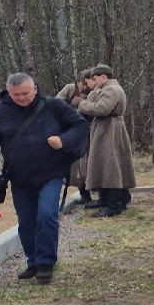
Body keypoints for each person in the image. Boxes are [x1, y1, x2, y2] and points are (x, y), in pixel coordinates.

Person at [0, 72, 88, 284]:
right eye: (16, 95)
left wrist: (63, 140)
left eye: (25, 93)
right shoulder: (1, 111)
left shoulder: (53, 106)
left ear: (35, 89)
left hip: (51, 173)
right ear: (9, 93)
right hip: (19, 177)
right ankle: (33, 261)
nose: (21, 98)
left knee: (47, 215)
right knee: (27, 222)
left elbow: (81, 126)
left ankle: (46, 264)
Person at [74, 63, 136, 218]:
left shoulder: (112, 90)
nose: (94, 82)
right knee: (103, 164)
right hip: (104, 129)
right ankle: (107, 199)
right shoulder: (106, 89)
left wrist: (81, 103)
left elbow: (101, 109)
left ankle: (114, 204)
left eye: (95, 78)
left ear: (103, 76)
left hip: (109, 130)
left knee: (110, 166)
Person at [57, 71, 94, 207]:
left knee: (90, 164)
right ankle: (84, 194)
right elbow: (57, 104)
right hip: (73, 132)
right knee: (75, 166)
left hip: (90, 131)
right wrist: (71, 106)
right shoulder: (70, 88)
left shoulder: (95, 91)